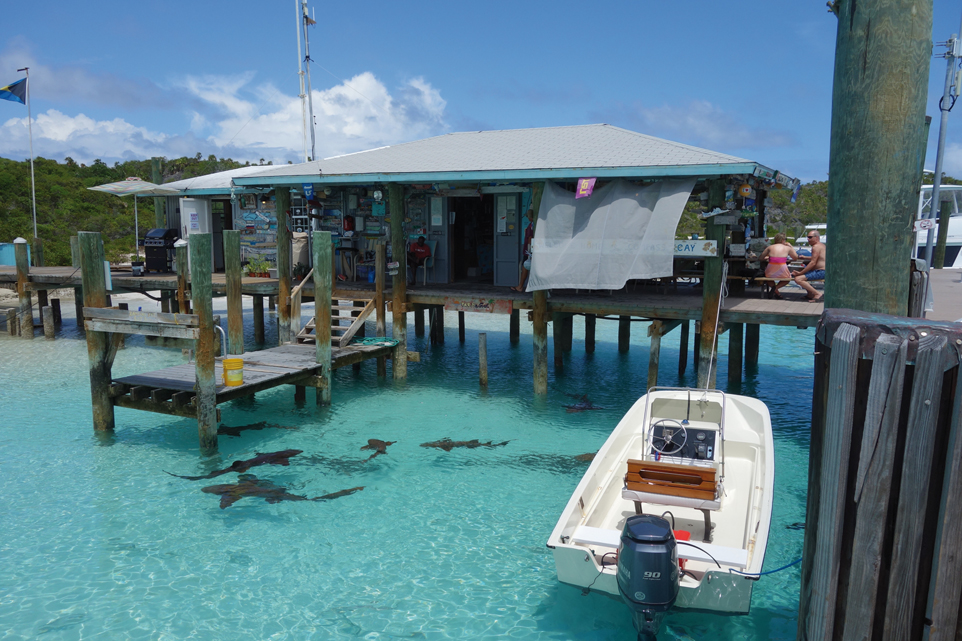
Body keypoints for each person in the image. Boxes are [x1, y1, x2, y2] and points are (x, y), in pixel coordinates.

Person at [759, 233, 797, 300]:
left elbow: (761, 258)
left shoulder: (770, 247)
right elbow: (795, 258)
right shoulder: (787, 248)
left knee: (768, 278)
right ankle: (775, 289)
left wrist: (769, 257)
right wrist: (791, 246)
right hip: (782, 268)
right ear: (782, 240)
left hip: (771, 269)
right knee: (787, 279)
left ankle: (774, 289)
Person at [792, 230, 826, 302]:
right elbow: (817, 257)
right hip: (821, 270)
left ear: (817, 237)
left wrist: (801, 273)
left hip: (821, 271)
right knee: (797, 275)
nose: (808, 239)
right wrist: (805, 257)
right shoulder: (822, 245)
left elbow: (813, 263)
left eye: (810, 237)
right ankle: (810, 294)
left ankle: (817, 294)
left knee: (798, 279)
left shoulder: (816, 247)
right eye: (807, 237)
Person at [511, 218, 534, 292]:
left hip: (529, 251)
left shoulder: (532, 225)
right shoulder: (532, 224)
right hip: (529, 250)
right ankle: (521, 286)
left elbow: (530, 238)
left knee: (525, 267)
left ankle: (521, 286)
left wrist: (530, 250)